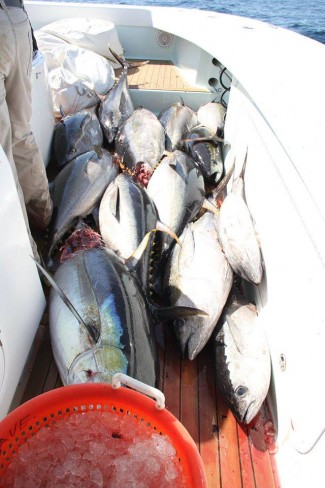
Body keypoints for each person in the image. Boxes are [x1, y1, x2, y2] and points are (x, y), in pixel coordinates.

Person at [0, 0, 53, 259]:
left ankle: (30, 256)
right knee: (20, 134)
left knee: (3, 157)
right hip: (15, 19)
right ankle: (44, 216)